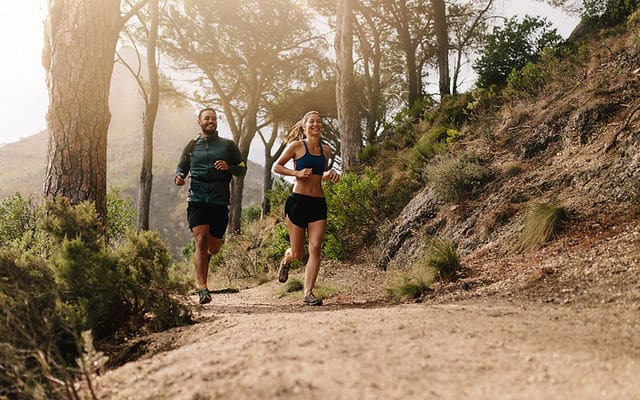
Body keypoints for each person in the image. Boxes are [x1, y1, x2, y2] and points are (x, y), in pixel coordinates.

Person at [175, 107, 246, 304]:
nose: (210, 121)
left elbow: (242, 169)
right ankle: (203, 288)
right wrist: (179, 177)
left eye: (213, 118)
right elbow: (181, 167)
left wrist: (228, 167)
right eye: (206, 118)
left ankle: (206, 257)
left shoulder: (227, 145)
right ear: (199, 122)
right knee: (200, 239)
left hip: (219, 200)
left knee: (213, 247)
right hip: (197, 198)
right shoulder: (191, 146)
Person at [273, 110, 340, 306]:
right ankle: (287, 260)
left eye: (319, 121)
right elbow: (277, 167)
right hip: (298, 202)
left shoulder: (326, 150)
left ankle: (308, 293)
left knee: (316, 247)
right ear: (304, 126)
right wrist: (297, 172)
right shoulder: (296, 146)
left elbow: (320, 174)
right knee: (297, 253)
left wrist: (330, 174)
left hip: (318, 203)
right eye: (311, 122)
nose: (315, 124)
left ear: (322, 126)